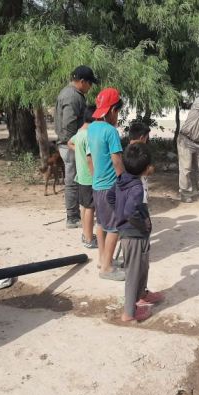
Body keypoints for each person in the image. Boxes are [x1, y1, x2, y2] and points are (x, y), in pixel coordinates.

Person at [108, 143, 164, 322]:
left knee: (142, 266)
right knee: (133, 271)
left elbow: (110, 197)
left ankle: (141, 294)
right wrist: (142, 225)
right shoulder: (137, 188)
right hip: (134, 235)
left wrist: (119, 212)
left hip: (134, 233)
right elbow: (130, 212)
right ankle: (129, 313)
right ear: (147, 168)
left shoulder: (122, 178)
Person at [86, 87, 125, 281]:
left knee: (101, 223)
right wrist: (124, 181)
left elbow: (89, 158)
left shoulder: (91, 128)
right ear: (113, 111)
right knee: (115, 227)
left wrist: (95, 178)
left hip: (97, 186)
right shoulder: (111, 131)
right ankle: (107, 268)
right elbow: (116, 159)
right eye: (118, 111)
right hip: (111, 186)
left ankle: (103, 259)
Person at [55, 65, 98, 228]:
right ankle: (72, 217)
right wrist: (74, 144)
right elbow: (68, 124)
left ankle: (78, 213)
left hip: (71, 143)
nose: (90, 87)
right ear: (82, 81)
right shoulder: (73, 96)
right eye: (89, 83)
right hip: (70, 144)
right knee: (73, 180)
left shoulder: (70, 93)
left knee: (75, 178)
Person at [68, 105, 97, 249]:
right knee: (90, 208)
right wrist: (96, 175)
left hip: (80, 176)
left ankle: (86, 234)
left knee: (84, 207)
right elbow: (90, 158)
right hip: (89, 177)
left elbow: (70, 143)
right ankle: (89, 238)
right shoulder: (90, 135)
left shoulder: (79, 133)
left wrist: (78, 150)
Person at [128, 121, 154, 203]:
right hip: (140, 193)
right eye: (146, 138)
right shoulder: (142, 152)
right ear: (142, 138)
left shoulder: (125, 151)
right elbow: (148, 171)